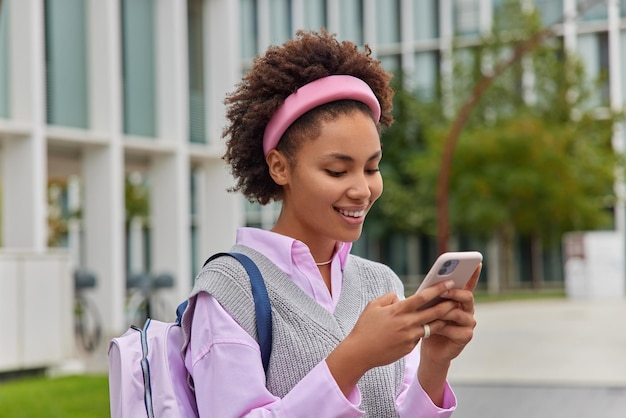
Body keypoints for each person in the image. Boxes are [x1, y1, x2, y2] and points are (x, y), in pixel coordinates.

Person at [181, 29, 480, 417]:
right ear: (279, 167)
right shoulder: (228, 291)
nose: (362, 189)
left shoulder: (381, 284)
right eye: (337, 171)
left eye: (372, 167)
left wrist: (435, 364)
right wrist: (353, 357)